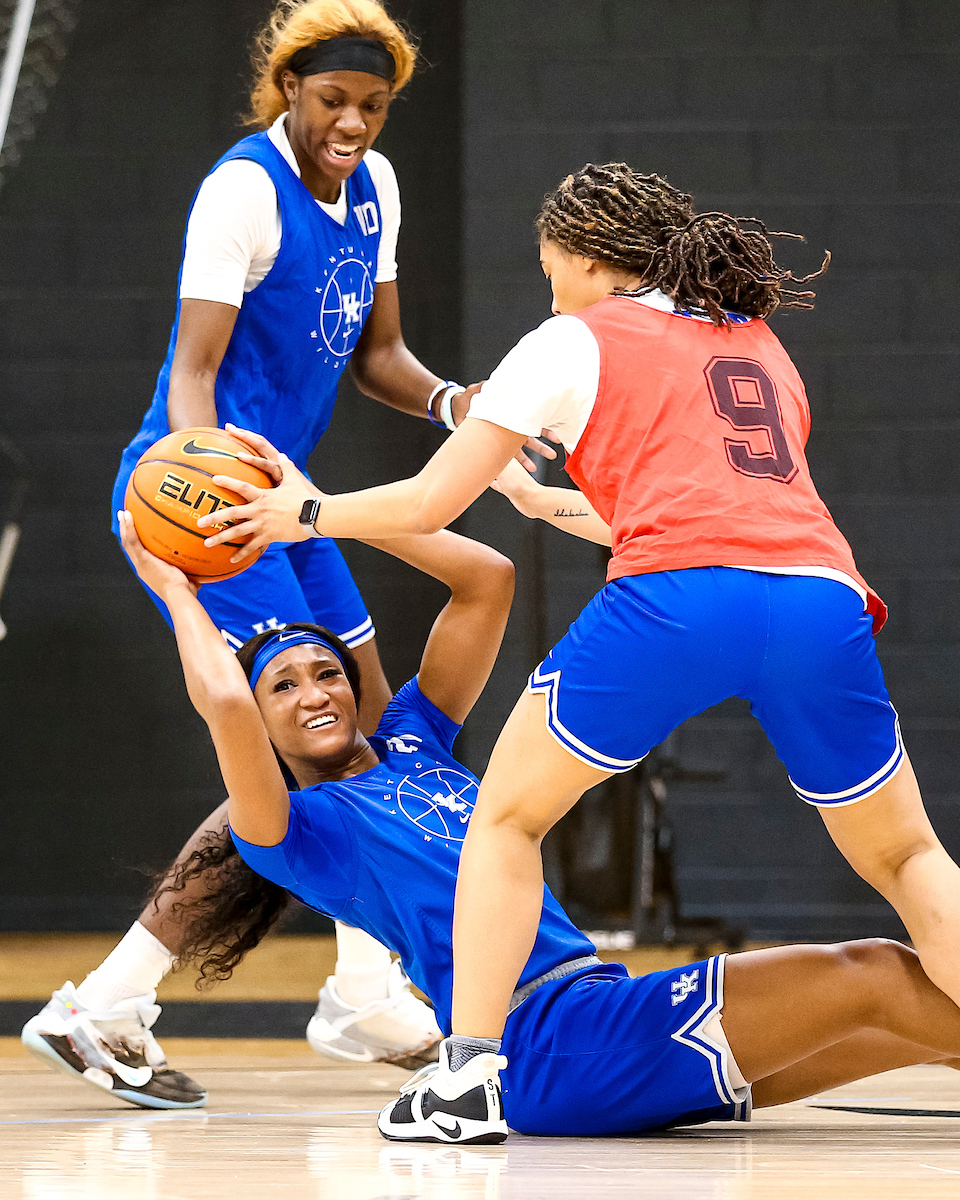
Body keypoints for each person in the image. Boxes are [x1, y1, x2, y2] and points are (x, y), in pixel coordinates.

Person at [193, 163, 960, 1141]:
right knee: (907, 855)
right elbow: (669, 513)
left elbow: (430, 504)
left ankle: (464, 1083)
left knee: (506, 823)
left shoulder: (569, 339)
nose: (548, 287)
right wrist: (529, 497)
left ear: (591, 258)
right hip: (822, 598)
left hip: (675, 604)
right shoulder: (753, 339)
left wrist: (303, 511)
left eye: (551, 267)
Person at [22, 0, 527, 1107]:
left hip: (288, 503)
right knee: (290, 751)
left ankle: (360, 987)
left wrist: (454, 401)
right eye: (333, 99)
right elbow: (193, 374)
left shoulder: (378, 189)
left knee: (375, 723)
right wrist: (204, 498)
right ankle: (106, 1007)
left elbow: (379, 354)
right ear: (288, 89)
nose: (353, 121)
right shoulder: (242, 191)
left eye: (373, 105)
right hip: (203, 498)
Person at [111, 508, 960, 1144]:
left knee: (913, 1023)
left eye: (325, 671)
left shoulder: (413, 738)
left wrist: (322, 508)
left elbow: (487, 577)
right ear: (260, 724)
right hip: (541, 1043)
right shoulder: (297, 831)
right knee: (878, 972)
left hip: (591, 1016)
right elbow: (221, 695)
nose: (315, 694)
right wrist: (173, 585)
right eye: (284, 688)